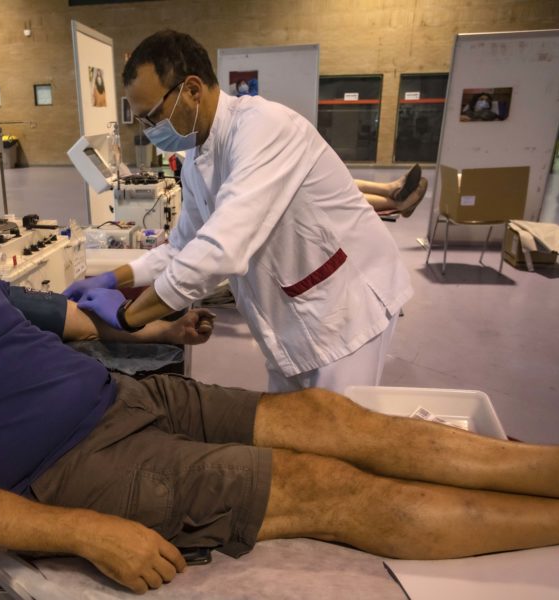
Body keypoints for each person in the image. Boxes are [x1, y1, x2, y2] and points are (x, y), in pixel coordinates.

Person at [0, 148, 559, 596]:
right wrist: (86, 532)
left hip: (133, 398)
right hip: (76, 469)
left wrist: (160, 323)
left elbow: (78, 320)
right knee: (330, 489)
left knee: (335, 421)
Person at [65, 30, 414, 394]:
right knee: (295, 428)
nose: (149, 131)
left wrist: (128, 317)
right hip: (292, 316)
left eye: (152, 116)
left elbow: (219, 250)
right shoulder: (195, 160)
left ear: (192, 90)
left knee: (340, 434)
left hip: (346, 308)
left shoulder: (264, 127)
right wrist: (113, 278)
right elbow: (180, 249)